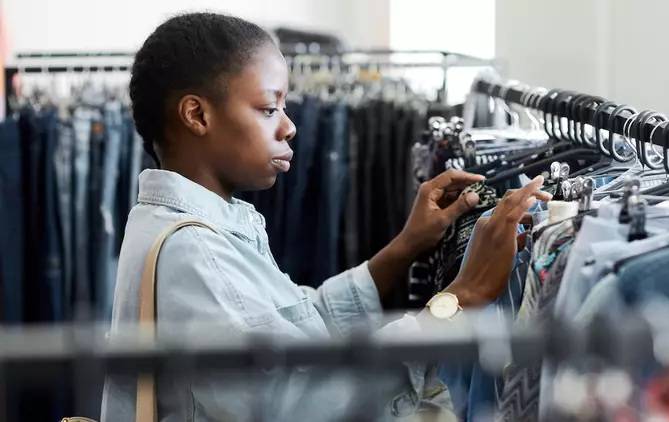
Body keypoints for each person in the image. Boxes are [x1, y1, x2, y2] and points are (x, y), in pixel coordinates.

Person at [100, 12, 550, 422]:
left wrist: (405, 247)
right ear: (197, 114)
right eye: (269, 108)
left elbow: (296, 325)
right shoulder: (197, 253)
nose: (289, 126)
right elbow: (310, 401)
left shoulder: (174, 223)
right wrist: (460, 297)